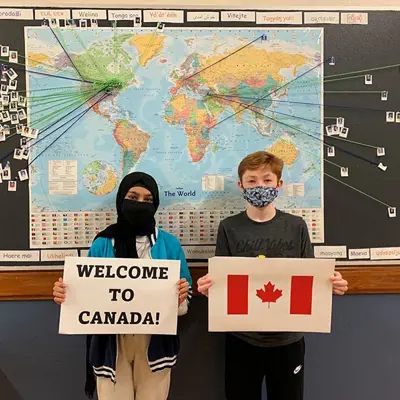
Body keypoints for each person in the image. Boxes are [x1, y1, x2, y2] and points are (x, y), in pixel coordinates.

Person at [197, 151, 348, 400]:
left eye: (267, 180)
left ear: (279, 184)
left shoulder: (296, 226)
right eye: (252, 180)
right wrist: (209, 287)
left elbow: (309, 277)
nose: (260, 186)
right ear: (241, 186)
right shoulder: (229, 227)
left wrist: (330, 285)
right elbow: (221, 279)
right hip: (242, 338)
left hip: (288, 339)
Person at [53, 172, 192, 400]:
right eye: (133, 197)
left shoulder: (169, 244)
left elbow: (187, 294)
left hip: (155, 343)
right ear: (121, 199)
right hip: (112, 344)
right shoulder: (103, 243)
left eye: (148, 200)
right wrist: (66, 294)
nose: (140, 204)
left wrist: (180, 298)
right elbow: (86, 290)